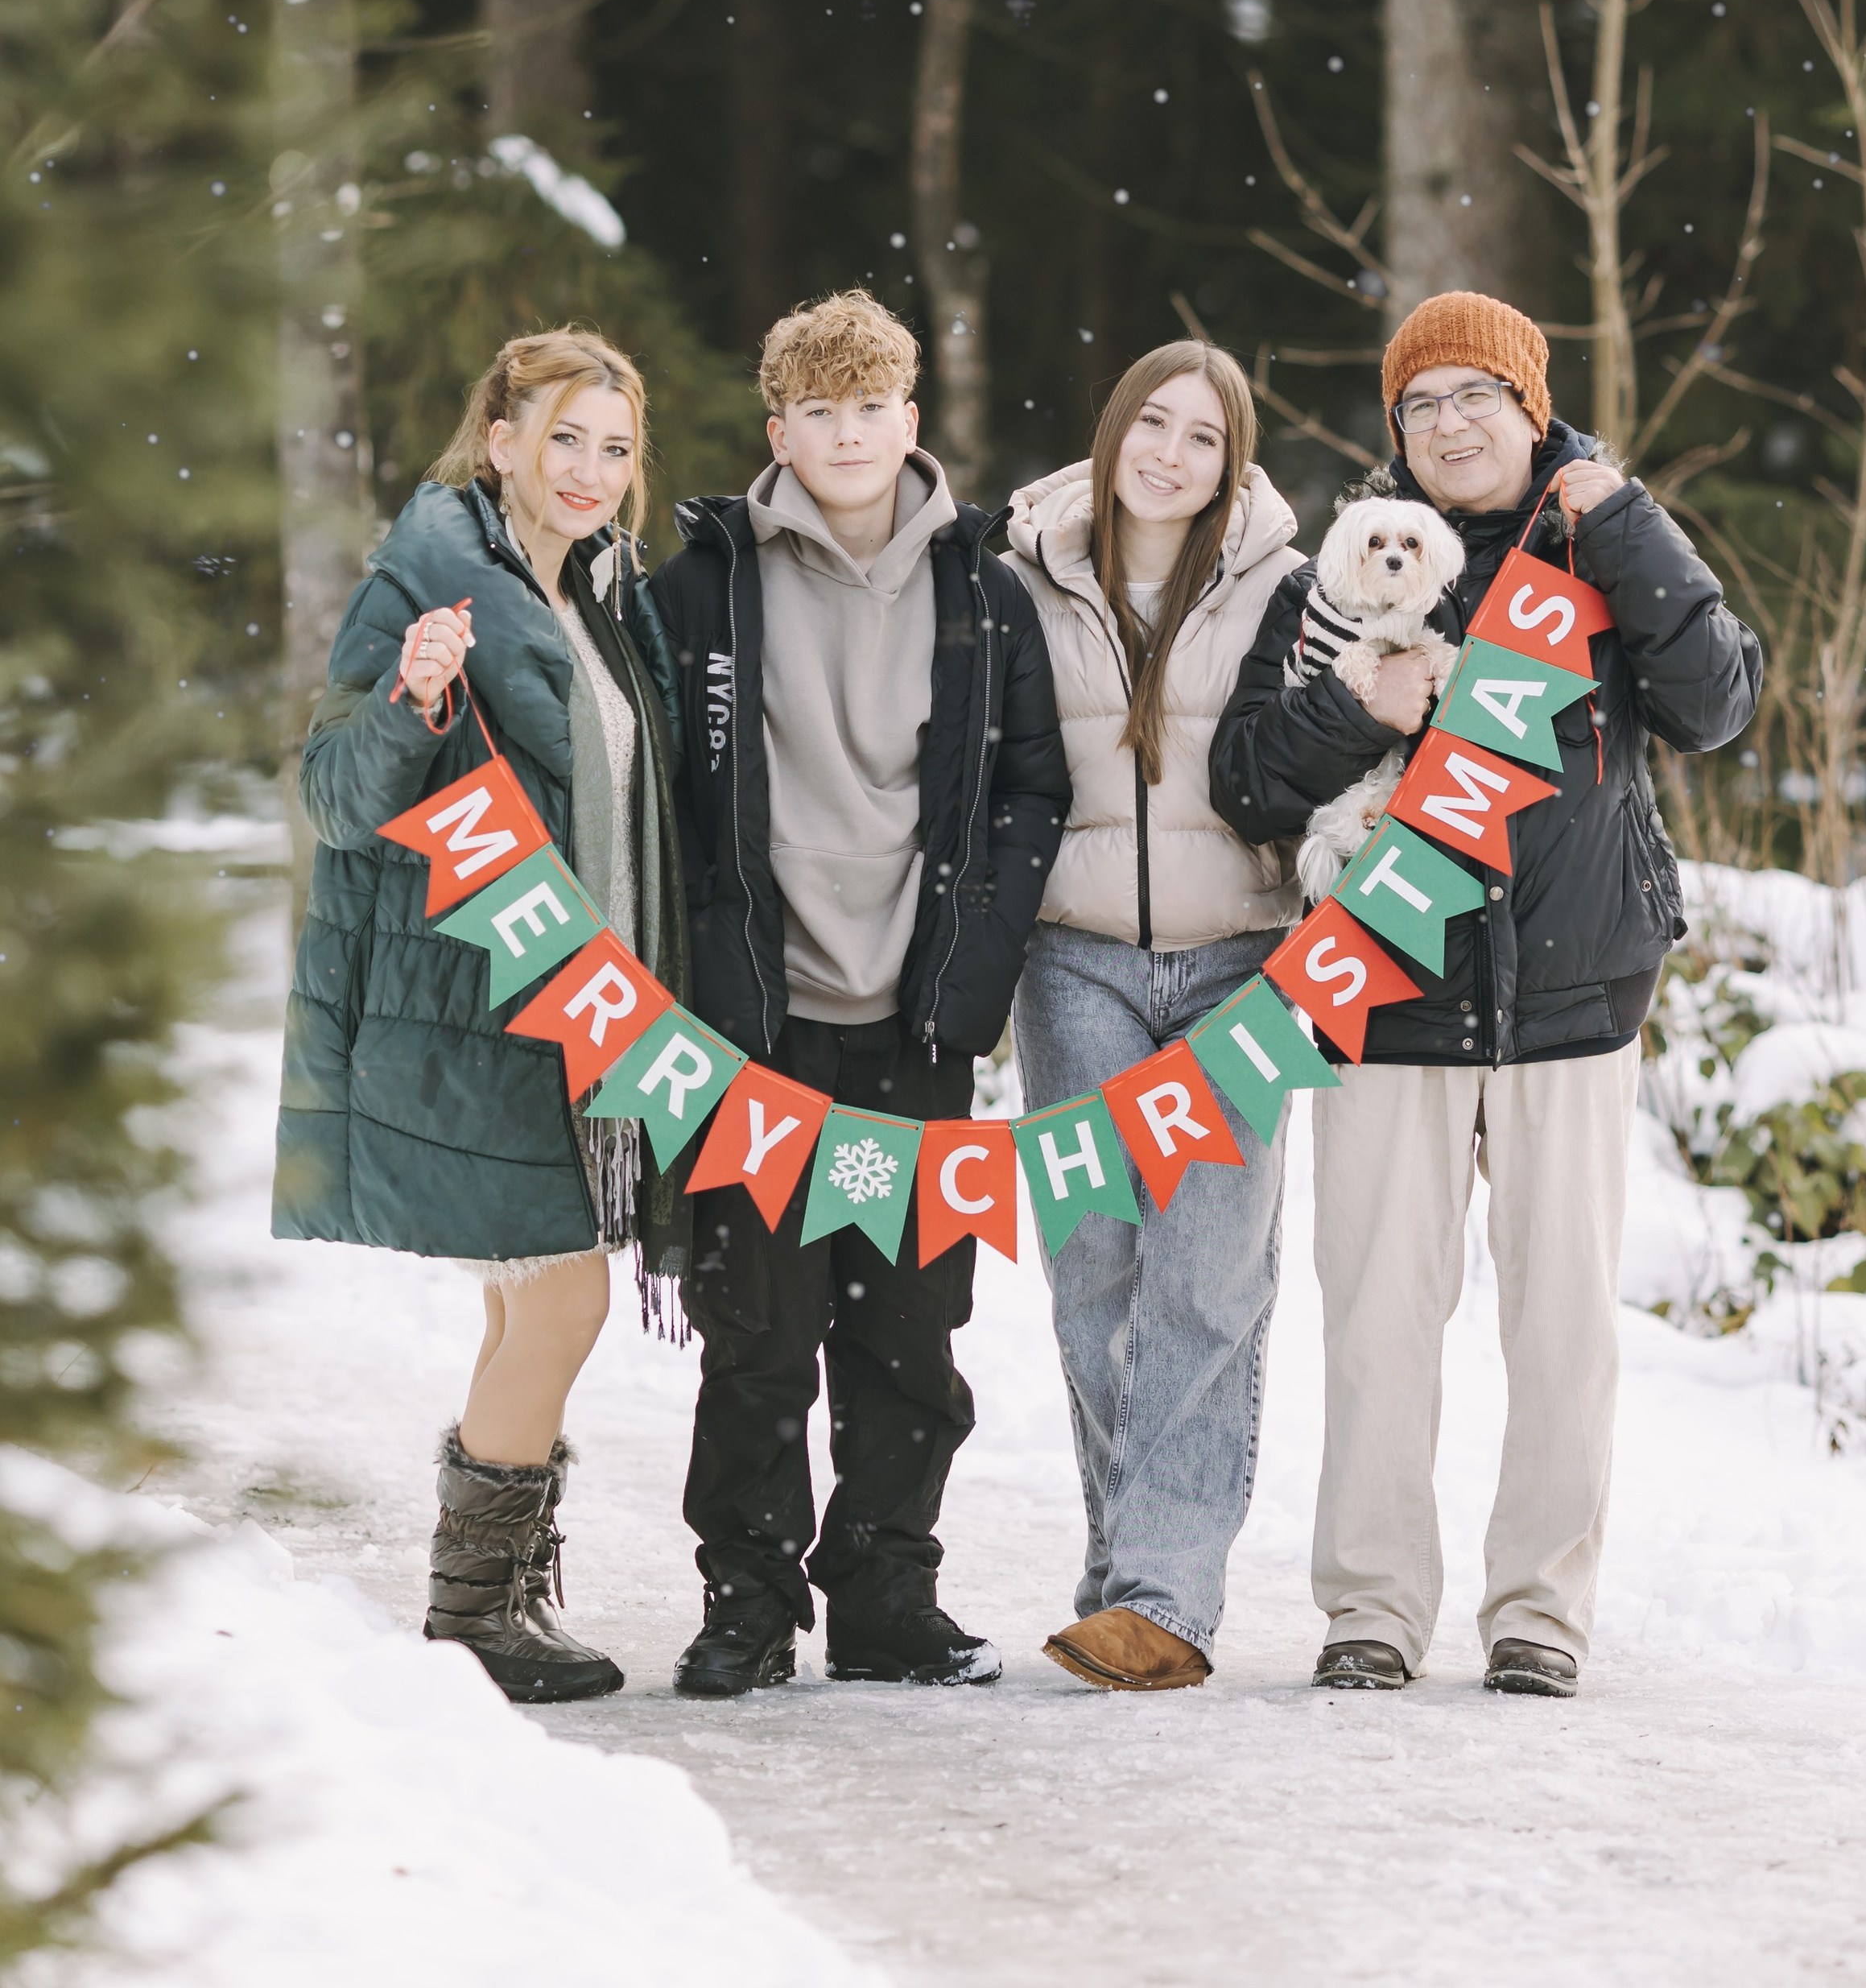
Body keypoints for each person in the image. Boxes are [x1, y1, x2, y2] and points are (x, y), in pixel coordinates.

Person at [1211, 290, 1761, 1700]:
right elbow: (1250, 780)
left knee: (1564, 1328)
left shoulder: (1600, 548)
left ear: (1532, 408)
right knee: (1378, 1320)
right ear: (1396, 431)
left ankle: (1540, 1615)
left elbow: (1717, 704)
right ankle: (1372, 1612)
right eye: (1423, 405)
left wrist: (1628, 521)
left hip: (1576, 996)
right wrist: (1356, 710)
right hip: (1388, 995)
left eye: (1478, 398)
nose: (1452, 426)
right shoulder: (1349, 570)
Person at [650, 289, 1067, 1698]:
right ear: (778, 428)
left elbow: (1030, 790)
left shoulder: (984, 591)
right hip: (754, 1021)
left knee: (906, 1331)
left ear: (910, 419)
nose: (846, 433)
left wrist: (976, 968)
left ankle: (886, 1592)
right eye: (815, 410)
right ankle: (751, 1600)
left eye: (870, 405)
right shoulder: (704, 583)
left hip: (915, 1015)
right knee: (757, 1333)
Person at [273, 327, 688, 1705]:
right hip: (483, 997)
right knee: (561, 1295)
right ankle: (477, 1609)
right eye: (563, 437)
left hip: (595, 1002)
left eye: (615, 447)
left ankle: (493, 1590)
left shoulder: (605, 595)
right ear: (499, 438)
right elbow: (336, 791)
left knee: (534, 1301)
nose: (591, 469)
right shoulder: (432, 579)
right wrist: (413, 696)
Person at [1006, 343, 1303, 1692]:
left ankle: (1166, 1596)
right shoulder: (1024, 570)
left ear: (1232, 460)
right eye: (1153, 424)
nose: (1171, 454)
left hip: (1245, 968)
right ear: (1112, 429)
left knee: (1208, 1277)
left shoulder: (1286, 588)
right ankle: (1124, 1565)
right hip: (1073, 966)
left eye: (1203, 436)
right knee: (1097, 1274)